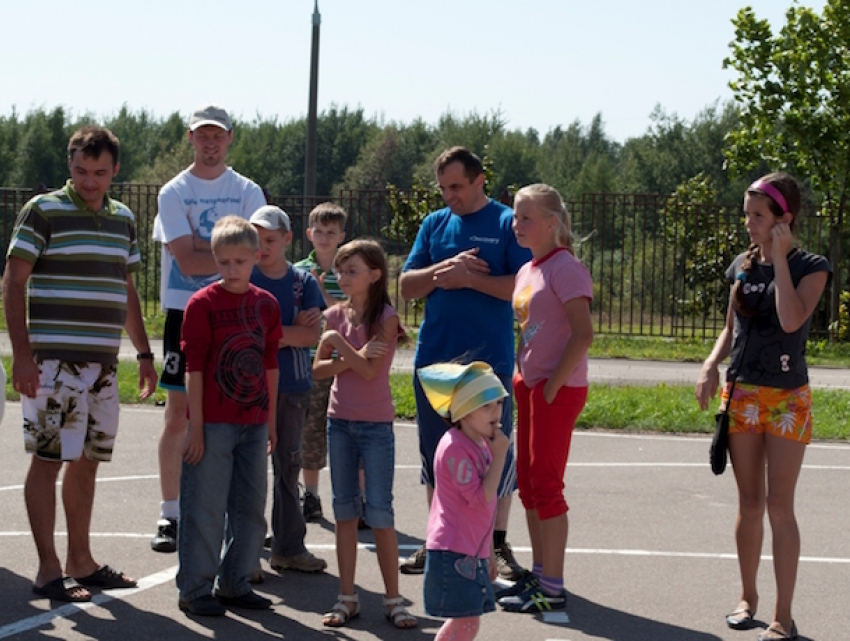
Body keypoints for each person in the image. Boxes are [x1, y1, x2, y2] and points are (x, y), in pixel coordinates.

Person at [2, 125, 157, 603]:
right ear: (69, 166)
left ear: (114, 171)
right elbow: (13, 282)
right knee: (50, 461)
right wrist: (23, 356)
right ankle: (49, 570)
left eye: (100, 172)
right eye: (81, 171)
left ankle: (81, 562)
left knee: (88, 463)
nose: (90, 181)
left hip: (104, 367)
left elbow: (126, 289)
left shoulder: (124, 218)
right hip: (52, 366)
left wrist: (146, 355)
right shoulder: (43, 210)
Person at [695, 173, 830, 641]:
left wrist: (779, 261)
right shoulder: (741, 266)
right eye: (746, 214)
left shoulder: (812, 266)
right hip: (744, 394)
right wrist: (711, 364)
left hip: (787, 399)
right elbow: (731, 329)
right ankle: (747, 597)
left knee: (779, 506)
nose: (747, 223)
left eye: (757, 215)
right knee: (749, 503)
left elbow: (792, 318)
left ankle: (783, 615)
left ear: (783, 220)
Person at [399, 146, 531, 579]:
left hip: (487, 363)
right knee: (437, 452)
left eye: (456, 186)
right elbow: (406, 286)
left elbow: (524, 287)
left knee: (493, 449)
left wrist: (470, 278)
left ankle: (494, 543)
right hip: (436, 361)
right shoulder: (435, 224)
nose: (448, 196)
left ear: (479, 181)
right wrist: (442, 271)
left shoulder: (506, 222)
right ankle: (440, 542)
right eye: (442, 188)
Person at [150, 104, 266, 553]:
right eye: (203, 135)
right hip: (185, 309)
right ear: (190, 137)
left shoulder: (247, 189)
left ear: (230, 138)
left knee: (234, 415)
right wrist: (223, 247)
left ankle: (234, 517)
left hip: (238, 311)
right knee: (179, 414)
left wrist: (205, 245)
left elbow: (253, 254)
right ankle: (170, 513)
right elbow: (186, 258)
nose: (210, 142)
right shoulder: (173, 191)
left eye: (218, 135)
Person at [176, 216, 282, 617]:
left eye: (241, 260)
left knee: (251, 507)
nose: (233, 269)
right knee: (205, 506)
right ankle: (195, 588)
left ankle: (235, 583)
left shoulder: (265, 304)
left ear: (257, 256)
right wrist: (196, 427)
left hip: (254, 423)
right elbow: (195, 368)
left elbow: (271, 363)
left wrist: (270, 420)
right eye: (224, 262)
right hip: (214, 425)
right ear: (215, 261)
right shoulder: (201, 304)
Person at [497, 183, 593, 614]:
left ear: (552, 223)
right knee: (531, 485)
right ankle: (538, 576)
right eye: (516, 216)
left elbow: (583, 334)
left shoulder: (565, 267)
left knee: (547, 485)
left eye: (526, 217)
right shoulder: (527, 270)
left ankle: (551, 588)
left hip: (557, 390)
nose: (517, 224)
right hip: (530, 386)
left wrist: (551, 386)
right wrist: (524, 378)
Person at [313, 239, 417, 630]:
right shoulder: (334, 314)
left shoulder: (386, 317)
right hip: (339, 422)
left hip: (375, 426)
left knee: (379, 512)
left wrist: (339, 348)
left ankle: (394, 601)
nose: (342, 277)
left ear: (375, 275)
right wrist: (350, 354)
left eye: (351, 270)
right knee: (343, 512)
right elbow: (318, 372)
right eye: (340, 270)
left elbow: (372, 372)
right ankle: (347, 598)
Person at [249, 204, 328, 574]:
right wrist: (286, 333)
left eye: (269, 239)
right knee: (246, 469)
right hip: (247, 387)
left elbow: (311, 335)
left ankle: (288, 547)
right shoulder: (242, 275)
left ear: (287, 239)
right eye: (256, 239)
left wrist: (273, 335)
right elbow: (245, 337)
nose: (261, 247)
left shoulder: (302, 282)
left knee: (288, 467)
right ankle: (245, 553)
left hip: (293, 388)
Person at [418, 362, 510, 641]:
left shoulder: (480, 443)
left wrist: (489, 553)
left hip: (470, 551)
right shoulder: (455, 448)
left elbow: (486, 508)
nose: (496, 412)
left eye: (498, 403)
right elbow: (481, 500)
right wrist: (501, 458)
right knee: (467, 623)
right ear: (463, 412)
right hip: (453, 551)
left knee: (464, 622)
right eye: (486, 406)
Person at [293, 202, 348, 521]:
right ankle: (311, 497)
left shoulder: (350, 268)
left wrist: (326, 301)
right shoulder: (298, 270)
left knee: (348, 432)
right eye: (319, 232)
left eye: (332, 232)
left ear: (341, 235)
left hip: (346, 364)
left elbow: (353, 313)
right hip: (310, 363)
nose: (325, 238)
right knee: (311, 433)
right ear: (309, 234)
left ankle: (358, 499)